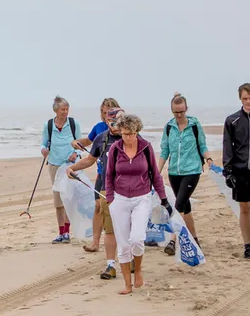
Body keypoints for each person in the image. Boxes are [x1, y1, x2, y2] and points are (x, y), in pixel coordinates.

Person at [102, 114, 170, 295]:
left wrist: (163, 199)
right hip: (119, 199)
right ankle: (127, 284)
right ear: (120, 133)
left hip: (142, 198)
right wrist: (110, 198)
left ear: (137, 132)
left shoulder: (146, 148)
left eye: (132, 134)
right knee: (124, 245)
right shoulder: (116, 149)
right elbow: (108, 176)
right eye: (124, 134)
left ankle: (138, 269)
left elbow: (155, 175)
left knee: (137, 240)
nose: (128, 138)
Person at [69, 106, 123, 279]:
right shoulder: (101, 138)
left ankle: (132, 264)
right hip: (108, 188)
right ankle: (110, 265)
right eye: (111, 121)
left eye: (118, 121)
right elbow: (90, 160)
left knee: (127, 229)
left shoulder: (132, 138)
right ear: (106, 121)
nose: (115, 125)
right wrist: (73, 168)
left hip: (129, 190)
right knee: (110, 229)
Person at [159, 92, 212, 255]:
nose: (179, 115)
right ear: (172, 111)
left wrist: (208, 158)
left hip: (192, 170)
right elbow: (164, 151)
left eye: (182, 111)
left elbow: (202, 145)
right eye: (176, 112)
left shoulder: (194, 125)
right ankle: (194, 239)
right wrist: (156, 171)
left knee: (179, 205)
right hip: (174, 172)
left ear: (186, 109)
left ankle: (173, 241)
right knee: (186, 207)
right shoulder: (169, 127)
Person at [223, 83, 250, 259]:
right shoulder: (231, 120)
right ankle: (247, 246)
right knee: (243, 208)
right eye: (244, 99)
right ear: (240, 98)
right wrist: (228, 170)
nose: (248, 102)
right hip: (239, 170)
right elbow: (227, 146)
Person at [41, 96, 81, 244]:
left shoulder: (73, 124)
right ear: (56, 110)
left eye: (67, 109)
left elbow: (80, 144)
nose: (65, 112)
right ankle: (61, 232)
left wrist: (75, 153)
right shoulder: (49, 125)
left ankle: (67, 233)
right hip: (54, 165)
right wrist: (43, 150)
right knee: (58, 200)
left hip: (70, 165)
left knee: (68, 197)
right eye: (63, 109)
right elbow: (43, 143)